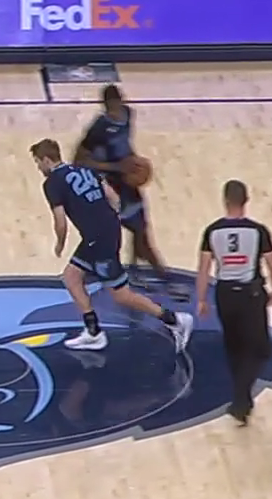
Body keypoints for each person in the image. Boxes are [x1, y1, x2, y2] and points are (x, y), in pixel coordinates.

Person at [31, 139, 193, 353]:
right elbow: (113, 197)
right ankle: (93, 332)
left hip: (99, 239)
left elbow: (60, 222)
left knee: (121, 295)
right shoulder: (84, 170)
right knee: (71, 277)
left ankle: (174, 319)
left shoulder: (52, 183)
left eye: (37, 162)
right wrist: (106, 219)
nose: (38, 167)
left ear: (46, 160)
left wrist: (59, 244)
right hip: (102, 233)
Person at [194, 179, 272, 426]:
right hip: (250, 295)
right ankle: (241, 400)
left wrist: (201, 298)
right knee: (259, 349)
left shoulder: (212, 231)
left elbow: (203, 269)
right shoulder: (258, 231)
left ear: (225, 201)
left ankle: (242, 401)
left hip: (224, 294)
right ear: (246, 200)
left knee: (234, 347)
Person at [74, 84, 171, 294]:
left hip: (127, 182)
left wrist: (134, 162)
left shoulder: (128, 115)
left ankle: (136, 269)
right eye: (110, 105)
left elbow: (125, 145)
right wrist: (116, 167)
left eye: (116, 103)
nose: (114, 108)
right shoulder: (99, 128)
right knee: (127, 231)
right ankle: (155, 272)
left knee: (141, 228)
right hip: (111, 185)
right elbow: (79, 161)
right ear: (105, 104)